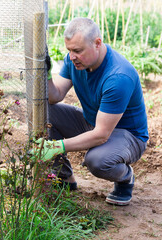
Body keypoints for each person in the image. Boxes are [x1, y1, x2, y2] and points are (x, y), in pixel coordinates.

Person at [41, 17, 149, 206]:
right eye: (69, 50)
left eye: (78, 51)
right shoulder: (74, 62)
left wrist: (56, 146)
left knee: (98, 161)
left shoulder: (118, 76)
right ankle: (64, 178)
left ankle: (125, 177)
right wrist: (48, 74)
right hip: (93, 122)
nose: (72, 56)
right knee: (46, 112)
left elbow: (100, 135)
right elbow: (55, 96)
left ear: (97, 43)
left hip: (128, 136)